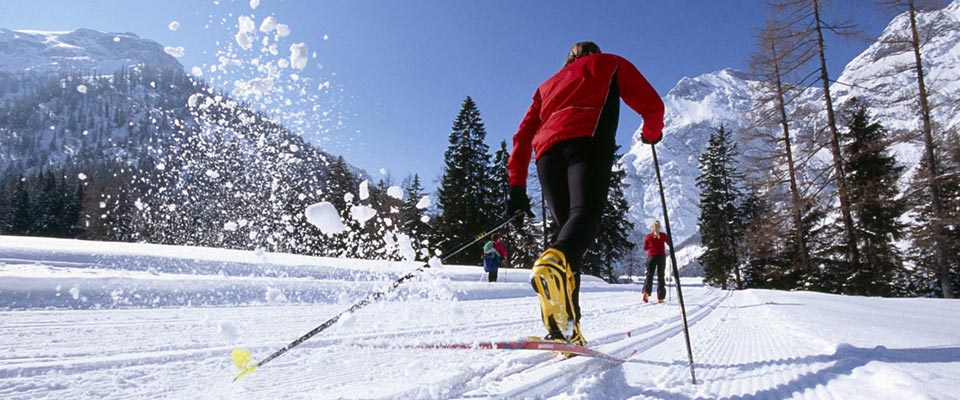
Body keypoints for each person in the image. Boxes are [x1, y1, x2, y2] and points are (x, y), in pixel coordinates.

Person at [505, 41, 664, 346]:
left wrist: (517, 187)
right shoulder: (609, 63)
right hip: (587, 141)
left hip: (547, 156)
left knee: (568, 238)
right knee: (584, 217)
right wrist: (651, 134)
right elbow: (653, 106)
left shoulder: (546, 86)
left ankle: (565, 328)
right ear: (594, 53)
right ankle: (558, 287)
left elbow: (522, 136)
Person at [643, 220, 670, 303]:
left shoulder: (648, 236)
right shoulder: (663, 235)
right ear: (660, 227)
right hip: (661, 257)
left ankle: (646, 291)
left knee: (649, 275)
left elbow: (645, 248)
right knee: (660, 276)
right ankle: (660, 297)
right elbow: (669, 243)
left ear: (652, 227)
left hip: (651, 257)